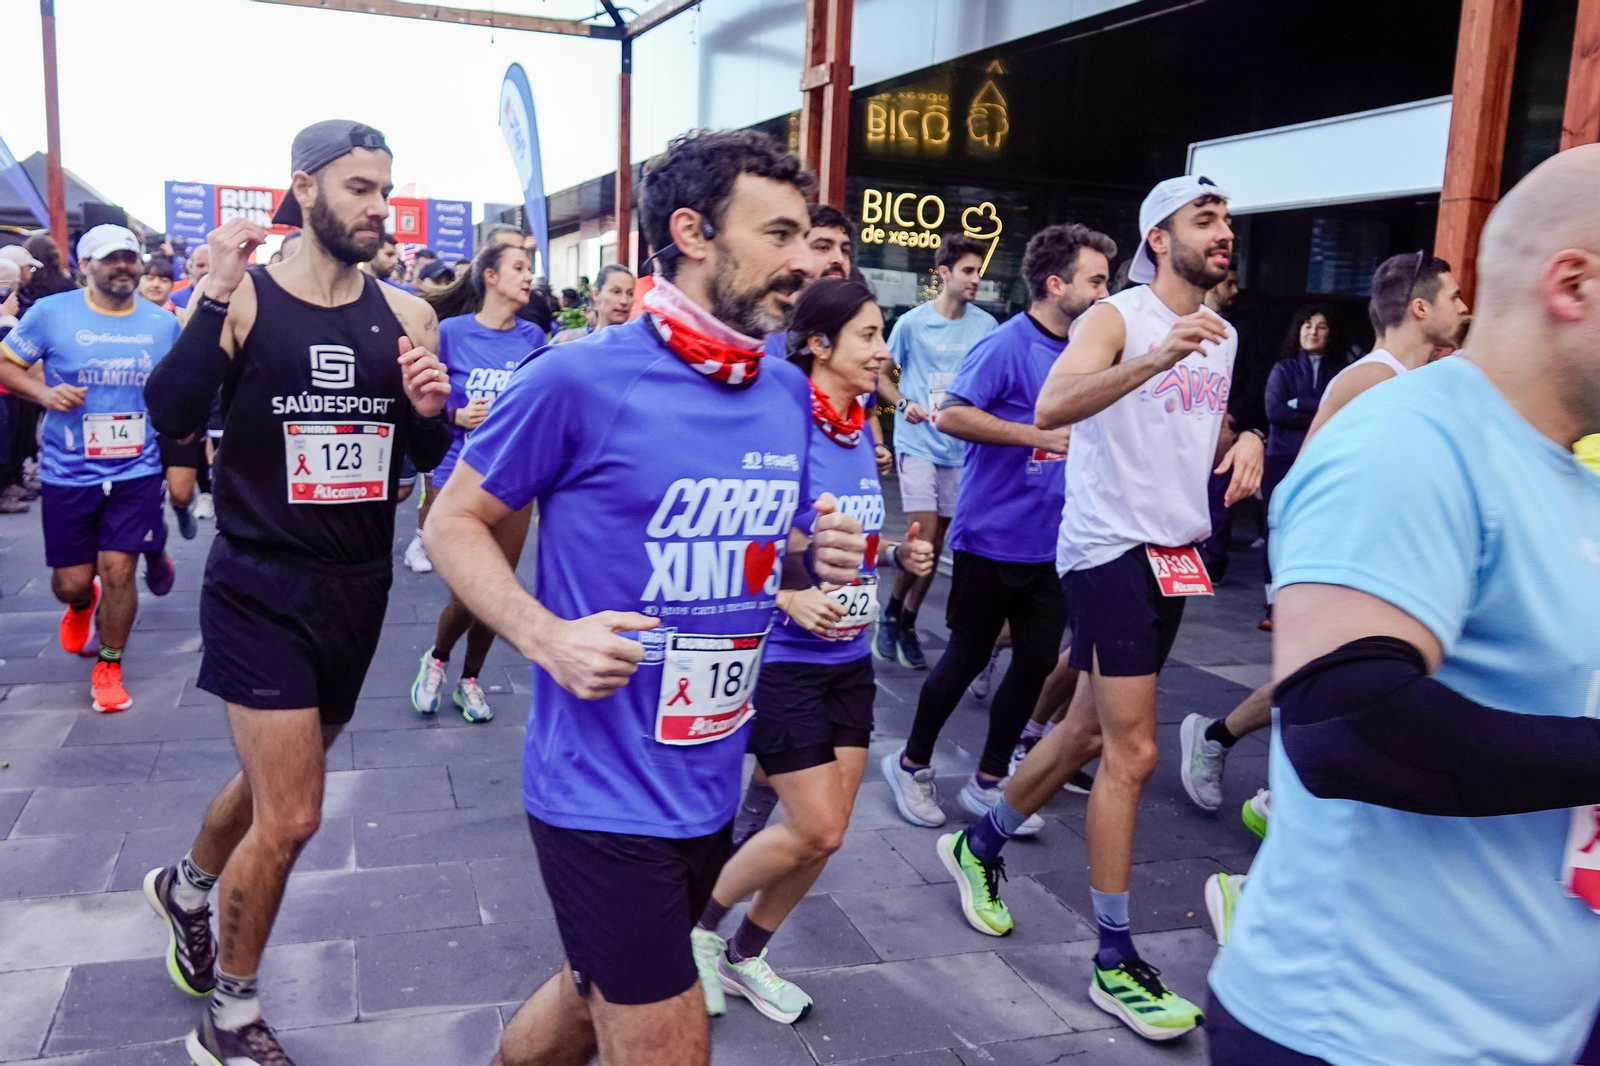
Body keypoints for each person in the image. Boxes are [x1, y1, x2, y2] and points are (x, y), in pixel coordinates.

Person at [423, 128, 864, 1066]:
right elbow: (450, 523)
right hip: (599, 793)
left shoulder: (783, 391)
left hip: (708, 779)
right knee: (667, 1039)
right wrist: (545, 637)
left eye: (811, 238)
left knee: (593, 996)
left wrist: (803, 555)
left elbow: (753, 555)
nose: (805, 262)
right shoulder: (582, 376)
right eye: (780, 235)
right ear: (694, 232)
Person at [1208, 142, 1600, 1066]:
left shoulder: (1575, 478)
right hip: (1363, 1035)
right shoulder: (1410, 439)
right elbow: (1348, 726)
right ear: (1572, 284)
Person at [138, 120, 451, 1066]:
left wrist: (431, 415)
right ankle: (231, 1016)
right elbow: (173, 413)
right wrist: (211, 293)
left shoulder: (408, 315)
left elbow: (424, 451)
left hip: (355, 588)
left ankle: (189, 885)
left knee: (285, 776)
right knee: (296, 814)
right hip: (261, 583)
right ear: (304, 190)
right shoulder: (248, 301)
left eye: (385, 189)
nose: (377, 207)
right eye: (358, 188)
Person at [947, 176, 1262, 1041]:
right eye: (1206, 219)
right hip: (1108, 547)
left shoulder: (1224, 332)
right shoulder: (1116, 318)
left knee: (1084, 731)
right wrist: (1157, 357)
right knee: (1134, 752)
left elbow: (1209, 413)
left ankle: (979, 845)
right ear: (1159, 237)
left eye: (1227, 219)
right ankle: (1115, 960)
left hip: (1175, 551)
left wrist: (1249, 440)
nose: (1223, 231)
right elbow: (1054, 406)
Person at [693, 277, 934, 1023]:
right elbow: (733, 531)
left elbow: (843, 538)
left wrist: (893, 556)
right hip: (786, 661)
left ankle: (744, 956)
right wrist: (786, 596)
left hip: (848, 658)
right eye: (867, 334)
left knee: (826, 834)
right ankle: (693, 933)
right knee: (817, 824)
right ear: (818, 342)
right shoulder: (780, 419)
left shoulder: (860, 422)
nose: (881, 350)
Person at [1185, 253, 1472, 856]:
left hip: (1352, 552)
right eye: (1454, 296)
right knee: (1332, 688)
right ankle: (1275, 801)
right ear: (1420, 308)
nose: (1465, 307)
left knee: (1320, 684)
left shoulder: (1405, 379)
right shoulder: (1378, 380)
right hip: (1324, 551)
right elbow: (1322, 480)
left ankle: (1236, 759)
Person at [882, 224, 1113, 835]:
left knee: (1036, 662)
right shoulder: (1008, 343)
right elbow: (953, 413)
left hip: (1056, 540)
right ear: (1056, 284)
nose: (1105, 293)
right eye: (1096, 281)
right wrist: (1032, 435)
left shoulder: (1091, 353)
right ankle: (911, 762)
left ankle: (989, 781)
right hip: (991, 534)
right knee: (965, 656)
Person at [0, 225, 179, 711]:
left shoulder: (162, 324)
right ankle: (83, 603)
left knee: (119, 570)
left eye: (129, 257)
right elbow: (5, 362)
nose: (122, 266)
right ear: (85, 266)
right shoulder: (51, 314)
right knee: (72, 583)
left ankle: (109, 663)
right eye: (110, 259)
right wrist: (43, 393)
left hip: (137, 469)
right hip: (68, 470)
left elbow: (181, 388)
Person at [409, 241, 545, 721]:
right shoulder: (451, 332)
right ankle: (438, 658)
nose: (529, 276)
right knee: (469, 590)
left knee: (498, 585)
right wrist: (455, 413)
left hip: (513, 479)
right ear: (489, 275)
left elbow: (543, 405)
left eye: (530, 268)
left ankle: (470, 678)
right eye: (519, 267)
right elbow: (421, 395)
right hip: (456, 475)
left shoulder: (533, 339)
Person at [872, 235, 997, 669]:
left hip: (962, 449)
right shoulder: (912, 323)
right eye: (967, 271)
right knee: (921, 538)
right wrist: (902, 405)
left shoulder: (986, 327)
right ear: (943, 273)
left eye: (978, 271)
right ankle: (890, 616)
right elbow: (882, 376)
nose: (976, 279)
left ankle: (903, 620)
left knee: (938, 542)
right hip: (918, 443)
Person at [1254, 306, 1347, 630]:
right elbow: (1275, 411)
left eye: (1321, 326)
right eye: (1307, 325)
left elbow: (1341, 411)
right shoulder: (1284, 368)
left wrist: (1301, 402)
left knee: (1314, 530)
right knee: (1275, 529)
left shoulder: (1341, 370)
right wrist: (1319, 406)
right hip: (1280, 459)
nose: (1313, 331)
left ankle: (1307, 604)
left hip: (1319, 459)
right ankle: (1273, 605)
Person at [552, 263, 635, 343]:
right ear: (596, 294)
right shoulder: (569, 341)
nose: (624, 301)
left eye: (630, 293)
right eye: (616, 292)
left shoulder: (639, 346)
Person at [171, 243, 210, 314]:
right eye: (200, 265)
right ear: (190, 267)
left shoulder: (230, 299)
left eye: (211, 265)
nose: (206, 270)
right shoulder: (174, 300)